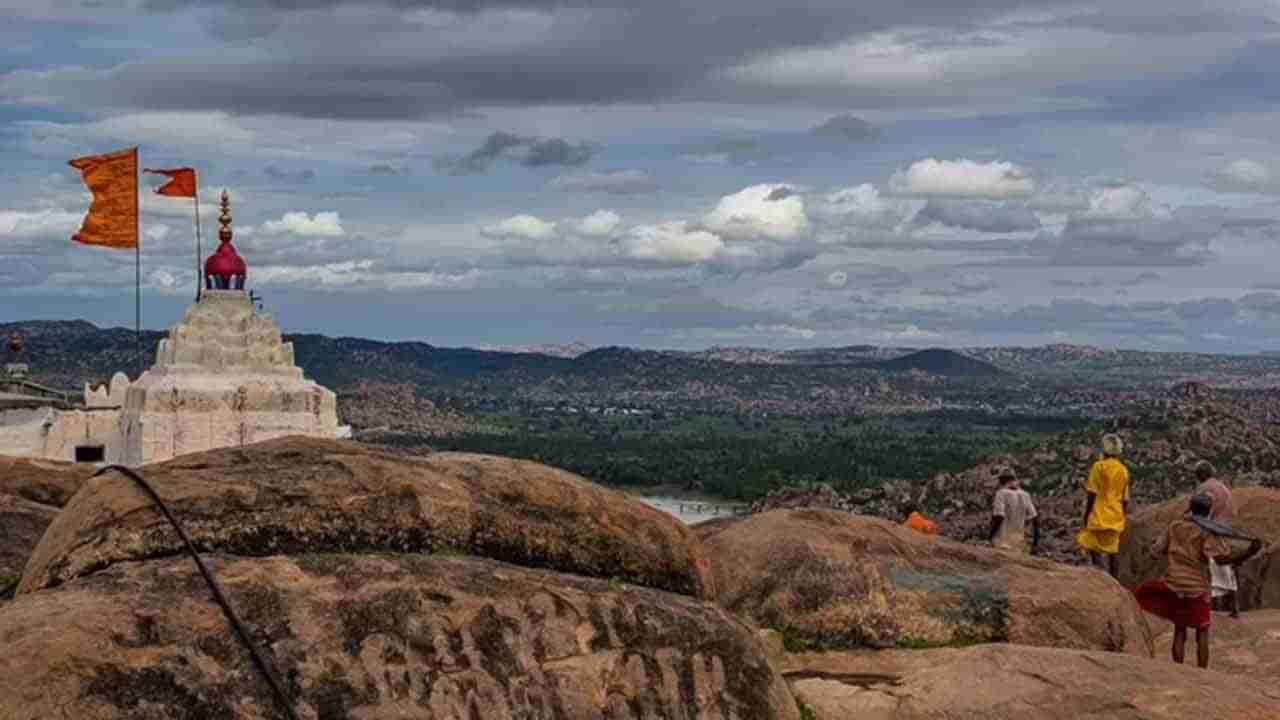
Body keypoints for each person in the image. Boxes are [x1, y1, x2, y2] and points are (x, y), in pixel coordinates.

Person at [1133, 494, 1263, 669]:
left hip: (1174, 583)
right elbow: (1221, 559)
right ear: (1209, 512)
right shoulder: (1206, 532)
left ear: (1190, 507)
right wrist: (1249, 552)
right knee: (1202, 631)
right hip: (1196, 587)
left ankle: (1178, 670)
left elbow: (1156, 551)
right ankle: (1202, 673)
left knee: (1180, 629)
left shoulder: (1175, 526)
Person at [1076, 434, 1130, 577]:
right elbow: (1125, 499)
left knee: (1092, 546)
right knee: (1113, 551)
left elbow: (1092, 493)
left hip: (1098, 513)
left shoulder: (1098, 467)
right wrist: (1122, 516)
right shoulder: (1123, 470)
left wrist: (1086, 515)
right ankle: (1115, 580)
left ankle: (1100, 576)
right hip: (1116, 514)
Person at [1195, 461, 1240, 617]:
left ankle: (1215, 611)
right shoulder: (1224, 488)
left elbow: (1200, 512)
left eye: (1197, 474)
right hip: (1225, 531)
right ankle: (1233, 608)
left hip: (1211, 532)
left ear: (1202, 474)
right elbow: (1233, 511)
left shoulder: (1204, 488)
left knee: (1213, 571)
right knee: (1226, 570)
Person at [989, 468, 1039, 554]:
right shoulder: (1025, 495)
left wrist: (990, 536)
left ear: (1001, 480)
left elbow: (999, 516)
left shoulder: (1001, 493)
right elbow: (1035, 519)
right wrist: (1035, 543)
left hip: (1002, 542)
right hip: (1018, 543)